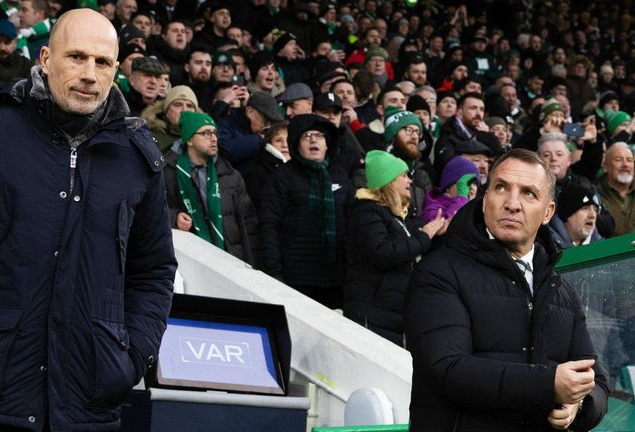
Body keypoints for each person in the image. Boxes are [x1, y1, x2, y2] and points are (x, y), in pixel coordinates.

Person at [0, 9, 176, 431]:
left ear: (116, 70)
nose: (89, 74)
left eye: (102, 62)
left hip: (89, 405)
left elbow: (153, 271)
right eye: (76, 56)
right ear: (44, 57)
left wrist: (132, 358)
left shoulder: (138, 156)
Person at [405, 149, 609, 431]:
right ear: (485, 198)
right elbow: (448, 370)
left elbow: (596, 381)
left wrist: (578, 404)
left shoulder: (560, 288)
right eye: (501, 187)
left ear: (548, 212)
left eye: (528, 193)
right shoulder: (438, 271)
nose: (512, 204)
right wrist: (549, 385)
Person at [343, 150, 445, 346]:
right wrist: (424, 235)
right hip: (372, 314)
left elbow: (417, 253)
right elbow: (383, 252)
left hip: (395, 315)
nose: (410, 181)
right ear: (388, 180)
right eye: (404, 176)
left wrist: (439, 235)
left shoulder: (402, 216)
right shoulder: (366, 211)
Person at [258, 114, 354, 309]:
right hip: (296, 278)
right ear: (296, 145)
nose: (313, 140)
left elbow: (351, 224)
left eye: (319, 135)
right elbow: (269, 224)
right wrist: (274, 271)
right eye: (306, 136)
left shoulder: (340, 175)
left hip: (336, 279)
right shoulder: (282, 177)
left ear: (327, 143)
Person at [164, 111, 258, 266]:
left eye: (215, 133)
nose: (214, 139)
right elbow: (150, 211)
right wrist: (173, 218)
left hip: (231, 261)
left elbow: (248, 225)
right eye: (206, 133)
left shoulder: (230, 175)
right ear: (190, 140)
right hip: (190, 262)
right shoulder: (168, 172)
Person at [142, 85, 199, 151]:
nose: (184, 110)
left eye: (189, 106)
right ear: (166, 112)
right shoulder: (150, 137)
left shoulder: (206, 138)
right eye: (178, 105)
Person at [596, 142, 635, 236]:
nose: (625, 164)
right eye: (618, 160)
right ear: (605, 166)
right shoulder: (595, 194)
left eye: (629, 160)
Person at [548, 183, 603, 248]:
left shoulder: (603, 246)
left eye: (595, 209)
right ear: (568, 215)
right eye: (585, 208)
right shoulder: (548, 246)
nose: (593, 215)